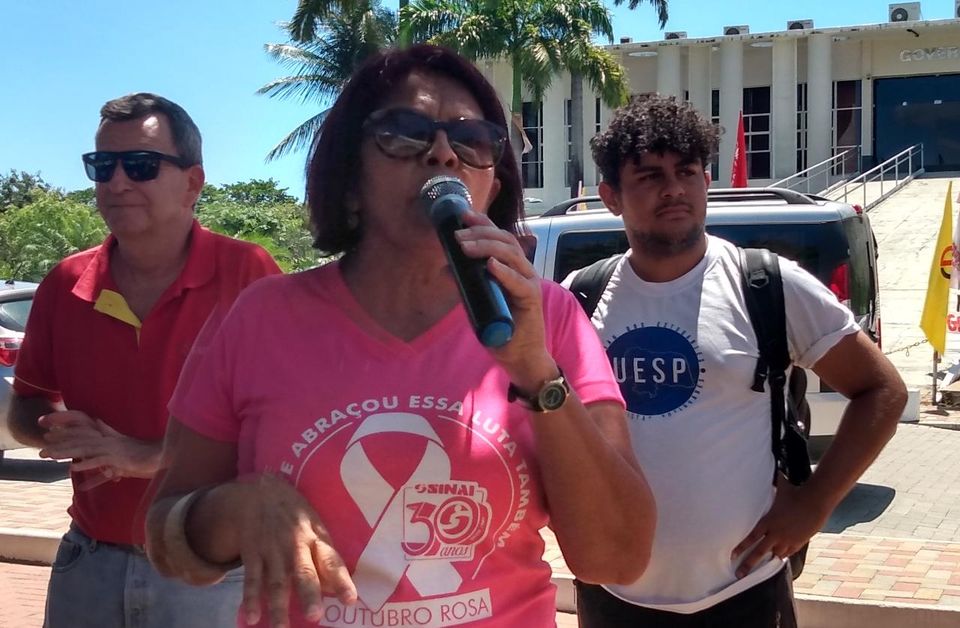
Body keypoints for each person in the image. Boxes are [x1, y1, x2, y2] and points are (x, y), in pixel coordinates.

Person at [144, 44, 656, 628]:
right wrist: (239, 509)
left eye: (472, 139)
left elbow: (617, 558)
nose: (443, 153)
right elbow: (164, 536)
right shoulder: (258, 319)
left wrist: (538, 374)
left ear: (491, 187)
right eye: (404, 133)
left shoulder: (551, 317)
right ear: (350, 180)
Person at [565, 93, 908, 627]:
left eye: (687, 171)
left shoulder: (767, 285)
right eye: (650, 176)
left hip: (744, 594)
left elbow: (882, 390)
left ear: (706, 181)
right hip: (613, 596)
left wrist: (814, 504)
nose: (674, 189)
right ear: (611, 196)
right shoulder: (580, 298)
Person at [8, 93, 282, 627]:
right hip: (90, 563)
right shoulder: (65, 283)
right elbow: (26, 407)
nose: (116, 182)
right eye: (102, 165)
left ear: (193, 183)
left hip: (213, 572)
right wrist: (57, 432)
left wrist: (148, 455)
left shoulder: (249, 274)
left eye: (140, 165)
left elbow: (283, 429)